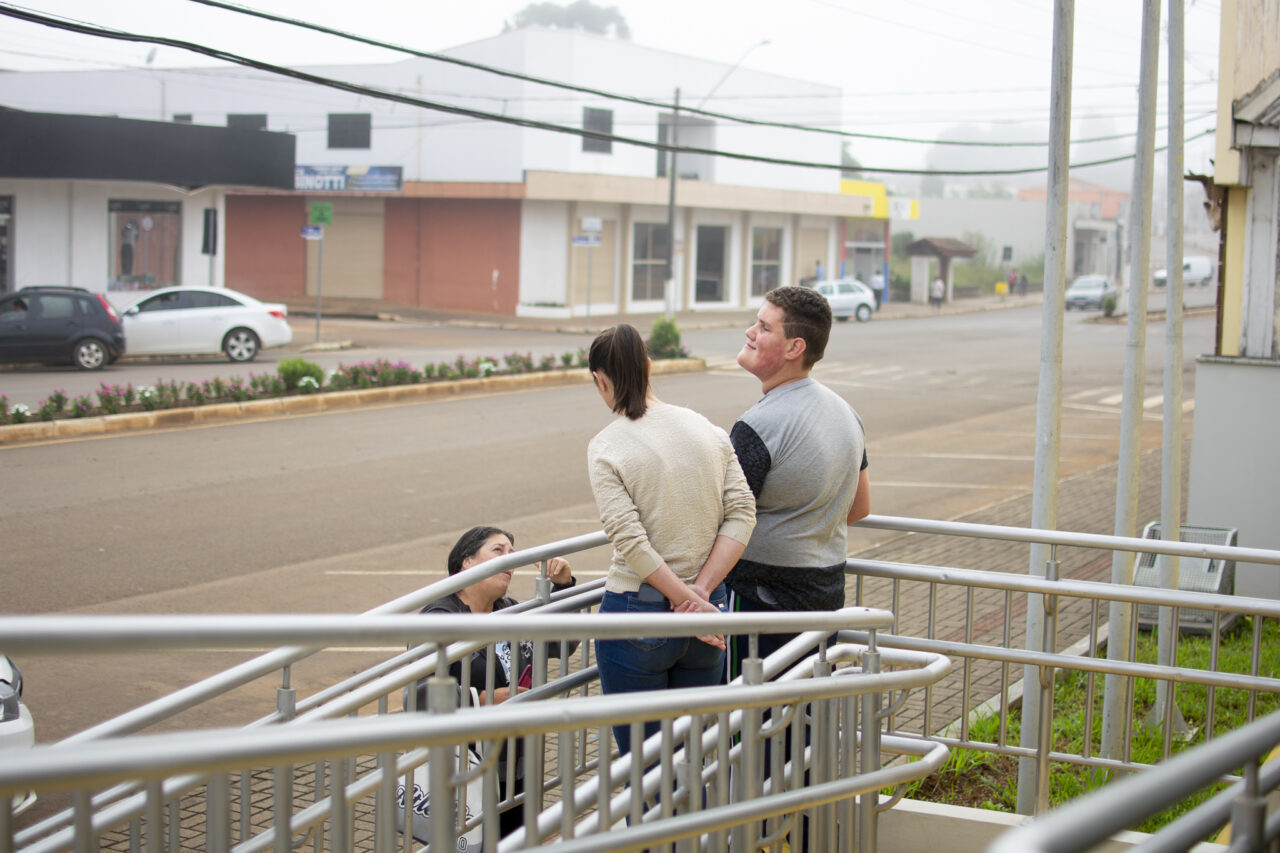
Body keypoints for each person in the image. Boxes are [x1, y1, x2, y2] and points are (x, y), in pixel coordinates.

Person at [718, 284, 869, 852]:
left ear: (792, 346)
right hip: (824, 597)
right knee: (802, 734)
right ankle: (803, 838)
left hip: (762, 605)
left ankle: (765, 840)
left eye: (763, 326)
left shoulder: (757, 426)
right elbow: (860, 506)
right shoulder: (846, 412)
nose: (750, 333)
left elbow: (731, 524)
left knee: (757, 738)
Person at [587, 323, 755, 758]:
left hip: (637, 614)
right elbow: (742, 512)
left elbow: (631, 542)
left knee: (645, 770)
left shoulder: (606, 446)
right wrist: (699, 598)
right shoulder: (706, 429)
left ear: (600, 380)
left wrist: (685, 602)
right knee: (691, 759)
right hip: (709, 616)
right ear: (647, 365)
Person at [410, 526, 576, 837]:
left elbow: (562, 643)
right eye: (497, 551)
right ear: (467, 562)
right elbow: (417, 695)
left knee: (516, 840)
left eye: (512, 554)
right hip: (462, 768)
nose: (508, 560)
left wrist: (564, 586)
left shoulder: (511, 610)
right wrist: (483, 700)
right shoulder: (439, 618)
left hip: (516, 765)